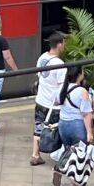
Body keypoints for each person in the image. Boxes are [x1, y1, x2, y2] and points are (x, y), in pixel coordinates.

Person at [30, 30, 68, 166]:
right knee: (56, 129)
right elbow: (62, 87)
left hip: (40, 100)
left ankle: (35, 154)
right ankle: (58, 154)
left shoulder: (42, 58)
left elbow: (39, 76)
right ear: (58, 45)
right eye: (63, 43)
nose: (64, 46)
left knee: (38, 126)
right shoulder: (60, 65)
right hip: (54, 105)